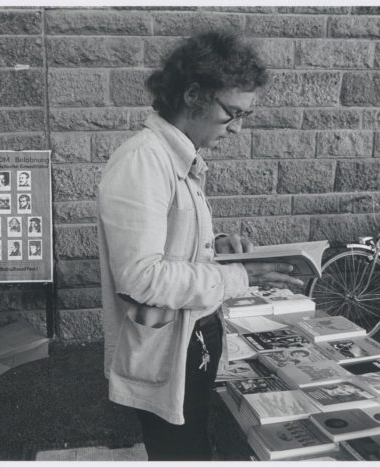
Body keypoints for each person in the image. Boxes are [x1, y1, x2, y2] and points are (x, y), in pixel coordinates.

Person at [97, 30, 303, 461]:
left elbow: (172, 244)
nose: (239, 127)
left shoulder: (177, 157)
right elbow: (142, 276)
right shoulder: (144, 161)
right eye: (232, 112)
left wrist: (220, 247)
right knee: (180, 452)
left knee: (192, 444)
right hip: (167, 348)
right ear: (193, 95)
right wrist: (237, 276)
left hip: (191, 336)